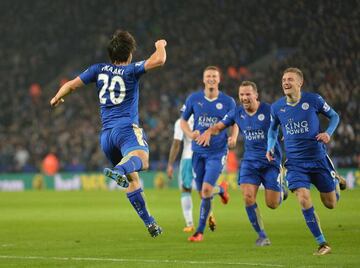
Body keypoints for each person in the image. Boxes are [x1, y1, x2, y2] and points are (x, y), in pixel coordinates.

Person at [50, 30, 167, 238]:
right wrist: (160, 44)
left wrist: (57, 98)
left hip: (107, 137)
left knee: (133, 180)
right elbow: (160, 60)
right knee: (143, 160)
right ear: (129, 53)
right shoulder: (132, 70)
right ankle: (120, 169)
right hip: (126, 130)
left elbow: (70, 85)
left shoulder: (98, 69)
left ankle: (150, 223)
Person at [196, 81, 287, 246]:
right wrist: (209, 132)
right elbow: (219, 126)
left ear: (256, 95)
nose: (244, 98)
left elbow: (286, 123)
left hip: (270, 161)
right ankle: (262, 235)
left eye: (248, 94)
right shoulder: (237, 112)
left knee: (272, 204)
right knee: (247, 196)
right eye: (242, 95)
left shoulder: (270, 110)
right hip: (250, 161)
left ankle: (281, 191)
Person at [266, 67, 346, 255]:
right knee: (303, 198)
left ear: (300, 83)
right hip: (295, 163)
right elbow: (272, 130)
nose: (286, 82)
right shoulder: (277, 107)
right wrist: (270, 146)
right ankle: (322, 243)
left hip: (318, 159)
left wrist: (328, 133)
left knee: (330, 204)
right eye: (284, 79)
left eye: (290, 79)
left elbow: (334, 116)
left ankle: (335, 180)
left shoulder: (313, 100)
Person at [181, 66, 238, 242]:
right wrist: (190, 134)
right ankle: (221, 189)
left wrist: (234, 137)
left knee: (205, 190)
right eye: (208, 76)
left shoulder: (228, 101)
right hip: (198, 151)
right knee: (202, 192)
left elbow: (235, 122)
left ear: (219, 79)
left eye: (214, 76)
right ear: (203, 79)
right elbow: (183, 120)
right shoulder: (194, 99)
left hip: (217, 152)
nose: (211, 79)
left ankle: (199, 232)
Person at [167, 116, 195, 233]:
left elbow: (176, 143)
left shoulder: (181, 121)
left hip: (188, 157)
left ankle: (189, 223)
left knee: (185, 189)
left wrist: (170, 164)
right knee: (205, 188)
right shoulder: (203, 118)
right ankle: (219, 191)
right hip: (205, 156)